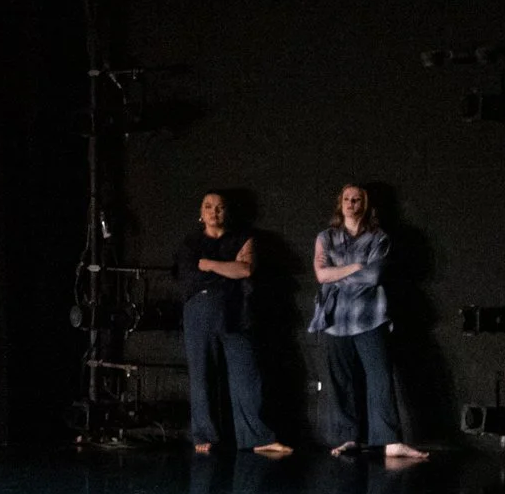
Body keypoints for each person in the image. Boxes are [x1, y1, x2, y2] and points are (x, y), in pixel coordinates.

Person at [311, 183, 427, 461]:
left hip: (370, 316)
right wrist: (356, 267)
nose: (351, 203)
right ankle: (349, 437)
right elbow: (321, 275)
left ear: (365, 205)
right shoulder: (326, 237)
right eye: (347, 199)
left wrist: (337, 273)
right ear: (340, 203)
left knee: (380, 379)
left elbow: (374, 277)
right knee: (341, 380)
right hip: (335, 318)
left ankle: (390, 441)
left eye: (357, 199)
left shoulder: (378, 238)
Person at [175, 192, 291, 456]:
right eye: (208, 206)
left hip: (236, 310)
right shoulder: (191, 244)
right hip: (200, 310)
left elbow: (245, 270)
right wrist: (228, 269)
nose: (214, 211)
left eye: (219, 207)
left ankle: (257, 436)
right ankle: (205, 435)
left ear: (226, 212)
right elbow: (191, 277)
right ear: (201, 212)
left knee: (247, 374)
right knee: (202, 373)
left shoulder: (243, 238)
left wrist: (209, 265)